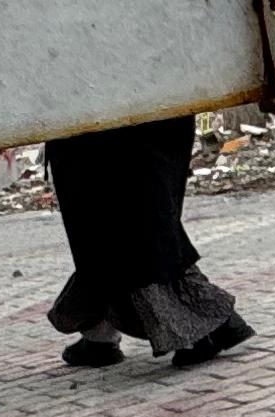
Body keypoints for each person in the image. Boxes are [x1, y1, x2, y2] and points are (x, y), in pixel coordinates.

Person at [42, 117, 250, 372]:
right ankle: (99, 333)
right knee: (132, 224)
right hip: (145, 110)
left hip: (102, 121)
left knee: (124, 225)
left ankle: (202, 330)